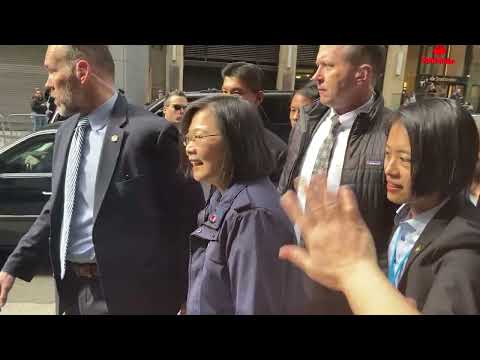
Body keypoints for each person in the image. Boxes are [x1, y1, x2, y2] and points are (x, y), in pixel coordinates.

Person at [0, 45, 204, 315]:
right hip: (72, 294)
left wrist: (188, 292)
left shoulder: (151, 134)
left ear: (81, 71)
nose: (47, 84)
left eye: (51, 71)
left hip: (132, 298)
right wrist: (13, 265)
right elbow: (57, 209)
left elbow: (187, 219)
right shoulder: (65, 133)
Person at [279, 98, 480, 315]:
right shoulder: (406, 214)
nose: (389, 169)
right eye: (387, 154)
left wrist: (354, 270)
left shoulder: (465, 246)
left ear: (447, 163)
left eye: (405, 159)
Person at [278, 45, 396, 314]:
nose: (315, 76)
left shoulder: (393, 131)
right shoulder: (309, 119)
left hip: (348, 293)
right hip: (292, 274)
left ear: (361, 74)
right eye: (317, 65)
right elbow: (286, 184)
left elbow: (397, 223)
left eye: (328, 66)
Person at [181, 95, 295, 314]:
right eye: (188, 138)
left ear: (235, 140)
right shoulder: (221, 193)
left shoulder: (253, 215)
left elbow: (254, 305)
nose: (189, 148)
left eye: (199, 137)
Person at [221, 62, 287, 186]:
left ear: (258, 98)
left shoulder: (276, 151)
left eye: (236, 93)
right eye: (224, 92)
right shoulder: (215, 138)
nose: (227, 99)